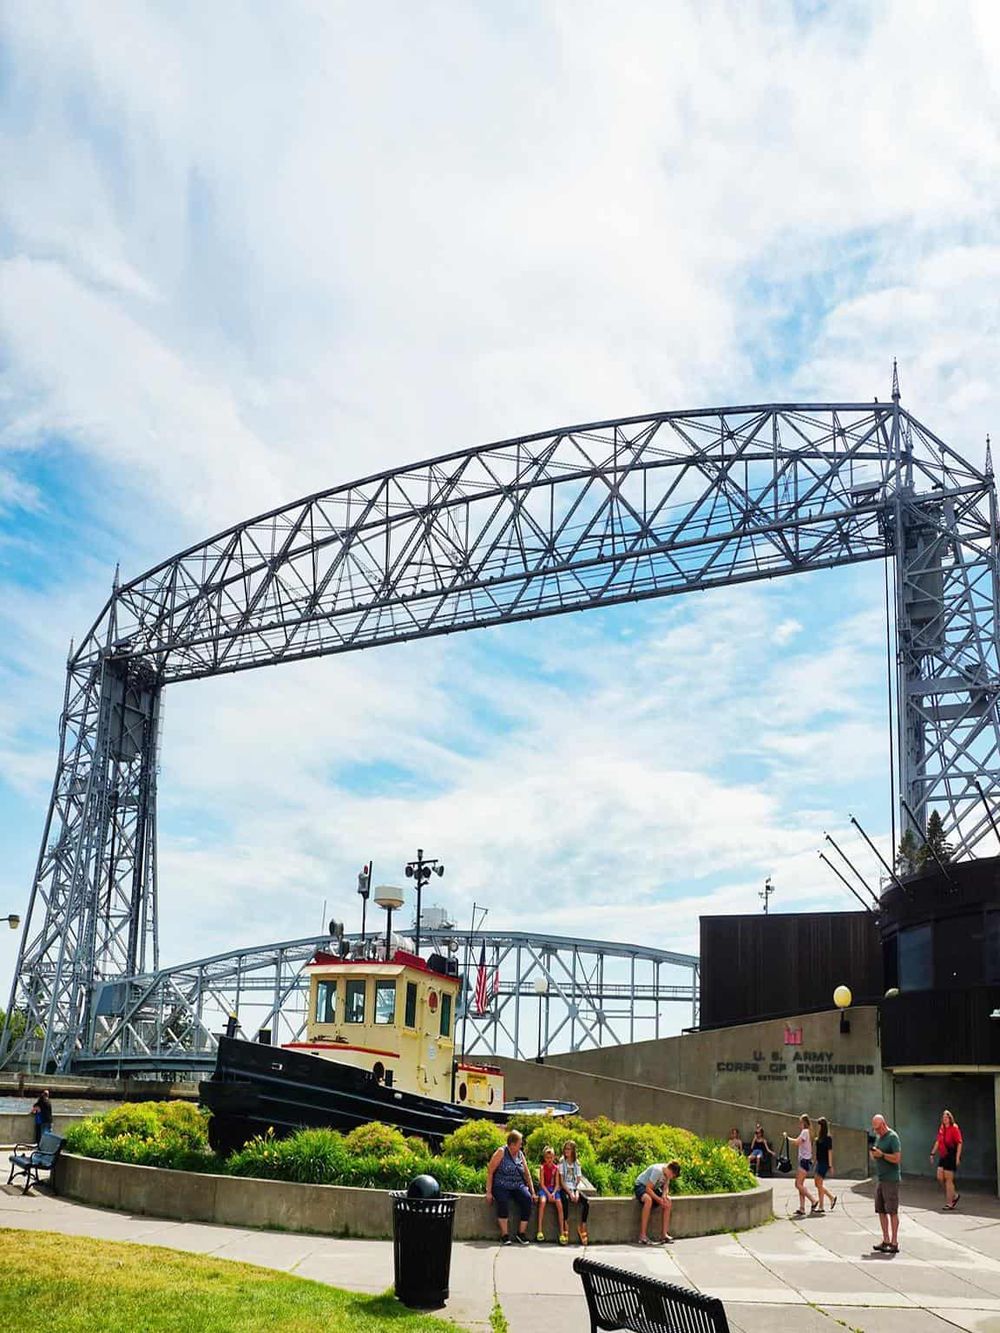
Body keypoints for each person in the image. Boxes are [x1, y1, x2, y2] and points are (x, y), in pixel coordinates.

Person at [486, 1130, 536, 1246]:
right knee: (502, 1201)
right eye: (520, 1143)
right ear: (512, 1144)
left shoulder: (520, 1154)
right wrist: (488, 1191)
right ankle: (504, 1235)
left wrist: (532, 1192)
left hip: (517, 1185)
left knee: (527, 1199)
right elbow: (490, 1172)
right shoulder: (501, 1152)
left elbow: (527, 1174)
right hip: (501, 1184)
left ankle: (521, 1233)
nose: (521, 1145)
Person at [871, 1113, 902, 1254]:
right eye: (874, 1129)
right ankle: (886, 1240)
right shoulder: (879, 1138)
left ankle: (894, 1242)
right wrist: (875, 1154)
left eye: (877, 1128)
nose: (876, 1131)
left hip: (891, 1179)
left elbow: (897, 1158)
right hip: (881, 1179)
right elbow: (877, 1155)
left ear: (883, 1124)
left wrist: (882, 1155)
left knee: (892, 1211)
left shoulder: (892, 1137)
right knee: (881, 1210)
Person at [633, 1160, 680, 1245]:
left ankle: (664, 1235)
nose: (672, 1178)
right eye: (673, 1176)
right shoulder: (657, 1171)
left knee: (668, 1201)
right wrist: (658, 1200)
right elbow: (648, 1188)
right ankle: (642, 1236)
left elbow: (666, 1187)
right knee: (648, 1200)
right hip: (641, 1186)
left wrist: (664, 1197)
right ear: (670, 1171)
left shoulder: (667, 1175)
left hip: (653, 1188)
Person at [558, 1139, 590, 1245]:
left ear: (573, 1151)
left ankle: (582, 1227)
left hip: (574, 1188)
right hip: (565, 1188)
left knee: (586, 1202)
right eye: (565, 1149)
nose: (566, 1151)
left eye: (569, 1149)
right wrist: (570, 1193)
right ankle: (565, 1227)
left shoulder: (577, 1163)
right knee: (565, 1201)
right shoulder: (562, 1162)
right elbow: (562, 1181)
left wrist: (575, 1192)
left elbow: (578, 1180)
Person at [930, 1108, 962, 1210]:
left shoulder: (954, 1128)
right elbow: (938, 1141)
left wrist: (957, 1157)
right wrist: (932, 1153)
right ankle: (954, 1195)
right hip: (943, 1154)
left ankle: (950, 1202)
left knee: (948, 1179)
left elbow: (959, 1143)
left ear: (950, 1118)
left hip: (951, 1154)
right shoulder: (942, 1128)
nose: (945, 1119)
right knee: (939, 1177)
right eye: (943, 1118)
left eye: (946, 1117)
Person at [792, 1114, 819, 1217]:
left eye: (800, 1122)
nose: (799, 1124)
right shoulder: (808, 1132)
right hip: (806, 1161)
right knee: (801, 1185)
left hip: (803, 1161)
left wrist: (788, 1139)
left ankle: (813, 1200)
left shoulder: (804, 1132)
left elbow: (797, 1142)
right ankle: (802, 1208)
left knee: (797, 1184)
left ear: (803, 1122)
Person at [536, 1145, 565, 1243]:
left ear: (554, 1157)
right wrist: (548, 1194)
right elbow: (542, 1184)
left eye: (551, 1158)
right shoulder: (542, 1168)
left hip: (554, 1190)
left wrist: (553, 1193)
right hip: (545, 1189)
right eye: (547, 1158)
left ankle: (562, 1233)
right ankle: (539, 1230)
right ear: (545, 1158)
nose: (549, 1160)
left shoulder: (556, 1168)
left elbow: (557, 1184)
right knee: (543, 1202)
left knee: (559, 1205)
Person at [813, 1116, 837, 1214]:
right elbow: (817, 1152)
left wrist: (830, 1166)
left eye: (818, 1125)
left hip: (825, 1163)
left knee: (819, 1183)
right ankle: (831, 1197)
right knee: (817, 1183)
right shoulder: (818, 1138)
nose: (817, 1127)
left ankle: (822, 1206)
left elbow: (829, 1152)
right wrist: (814, 1161)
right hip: (819, 1162)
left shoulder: (828, 1138)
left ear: (822, 1127)